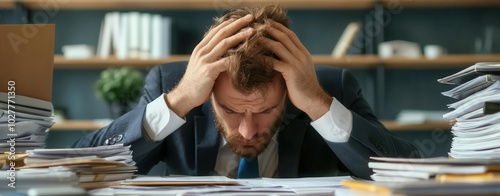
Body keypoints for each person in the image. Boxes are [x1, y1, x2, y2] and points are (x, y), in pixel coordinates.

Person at [74, 4, 420, 180]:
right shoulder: (173, 86)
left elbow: (409, 171)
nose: (248, 131)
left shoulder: (330, 89)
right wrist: (179, 102)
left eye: (266, 110)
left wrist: (317, 104)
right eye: (232, 109)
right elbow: (80, 166)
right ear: (208, 91)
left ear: (288, 89)